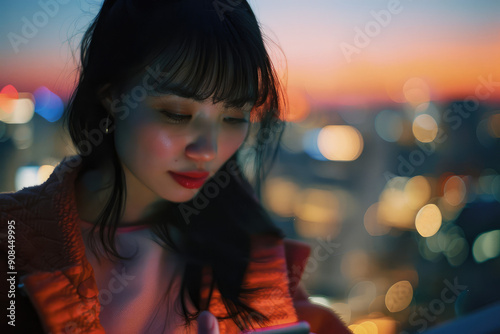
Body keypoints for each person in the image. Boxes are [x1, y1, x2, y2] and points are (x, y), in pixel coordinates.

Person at [0, 1, 351, 333]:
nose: (207, 150)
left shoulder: (249, 250)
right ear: (112, 96)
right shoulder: (12, 240)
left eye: (233, 117)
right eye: (177, 114)